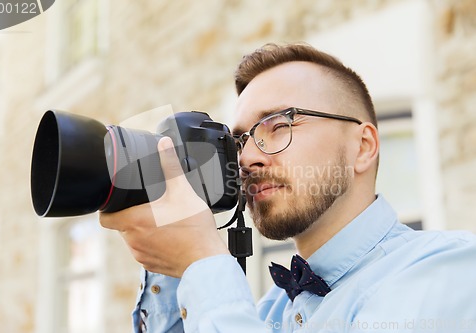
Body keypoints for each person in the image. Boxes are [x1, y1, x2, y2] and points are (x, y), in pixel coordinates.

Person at [99, 43, 476, 333]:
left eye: (279, 124)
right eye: (239, 140)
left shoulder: (450, 270)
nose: (246, 160)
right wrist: (172, 263)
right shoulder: (266, 312)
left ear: (363, 147)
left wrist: (203, 261)